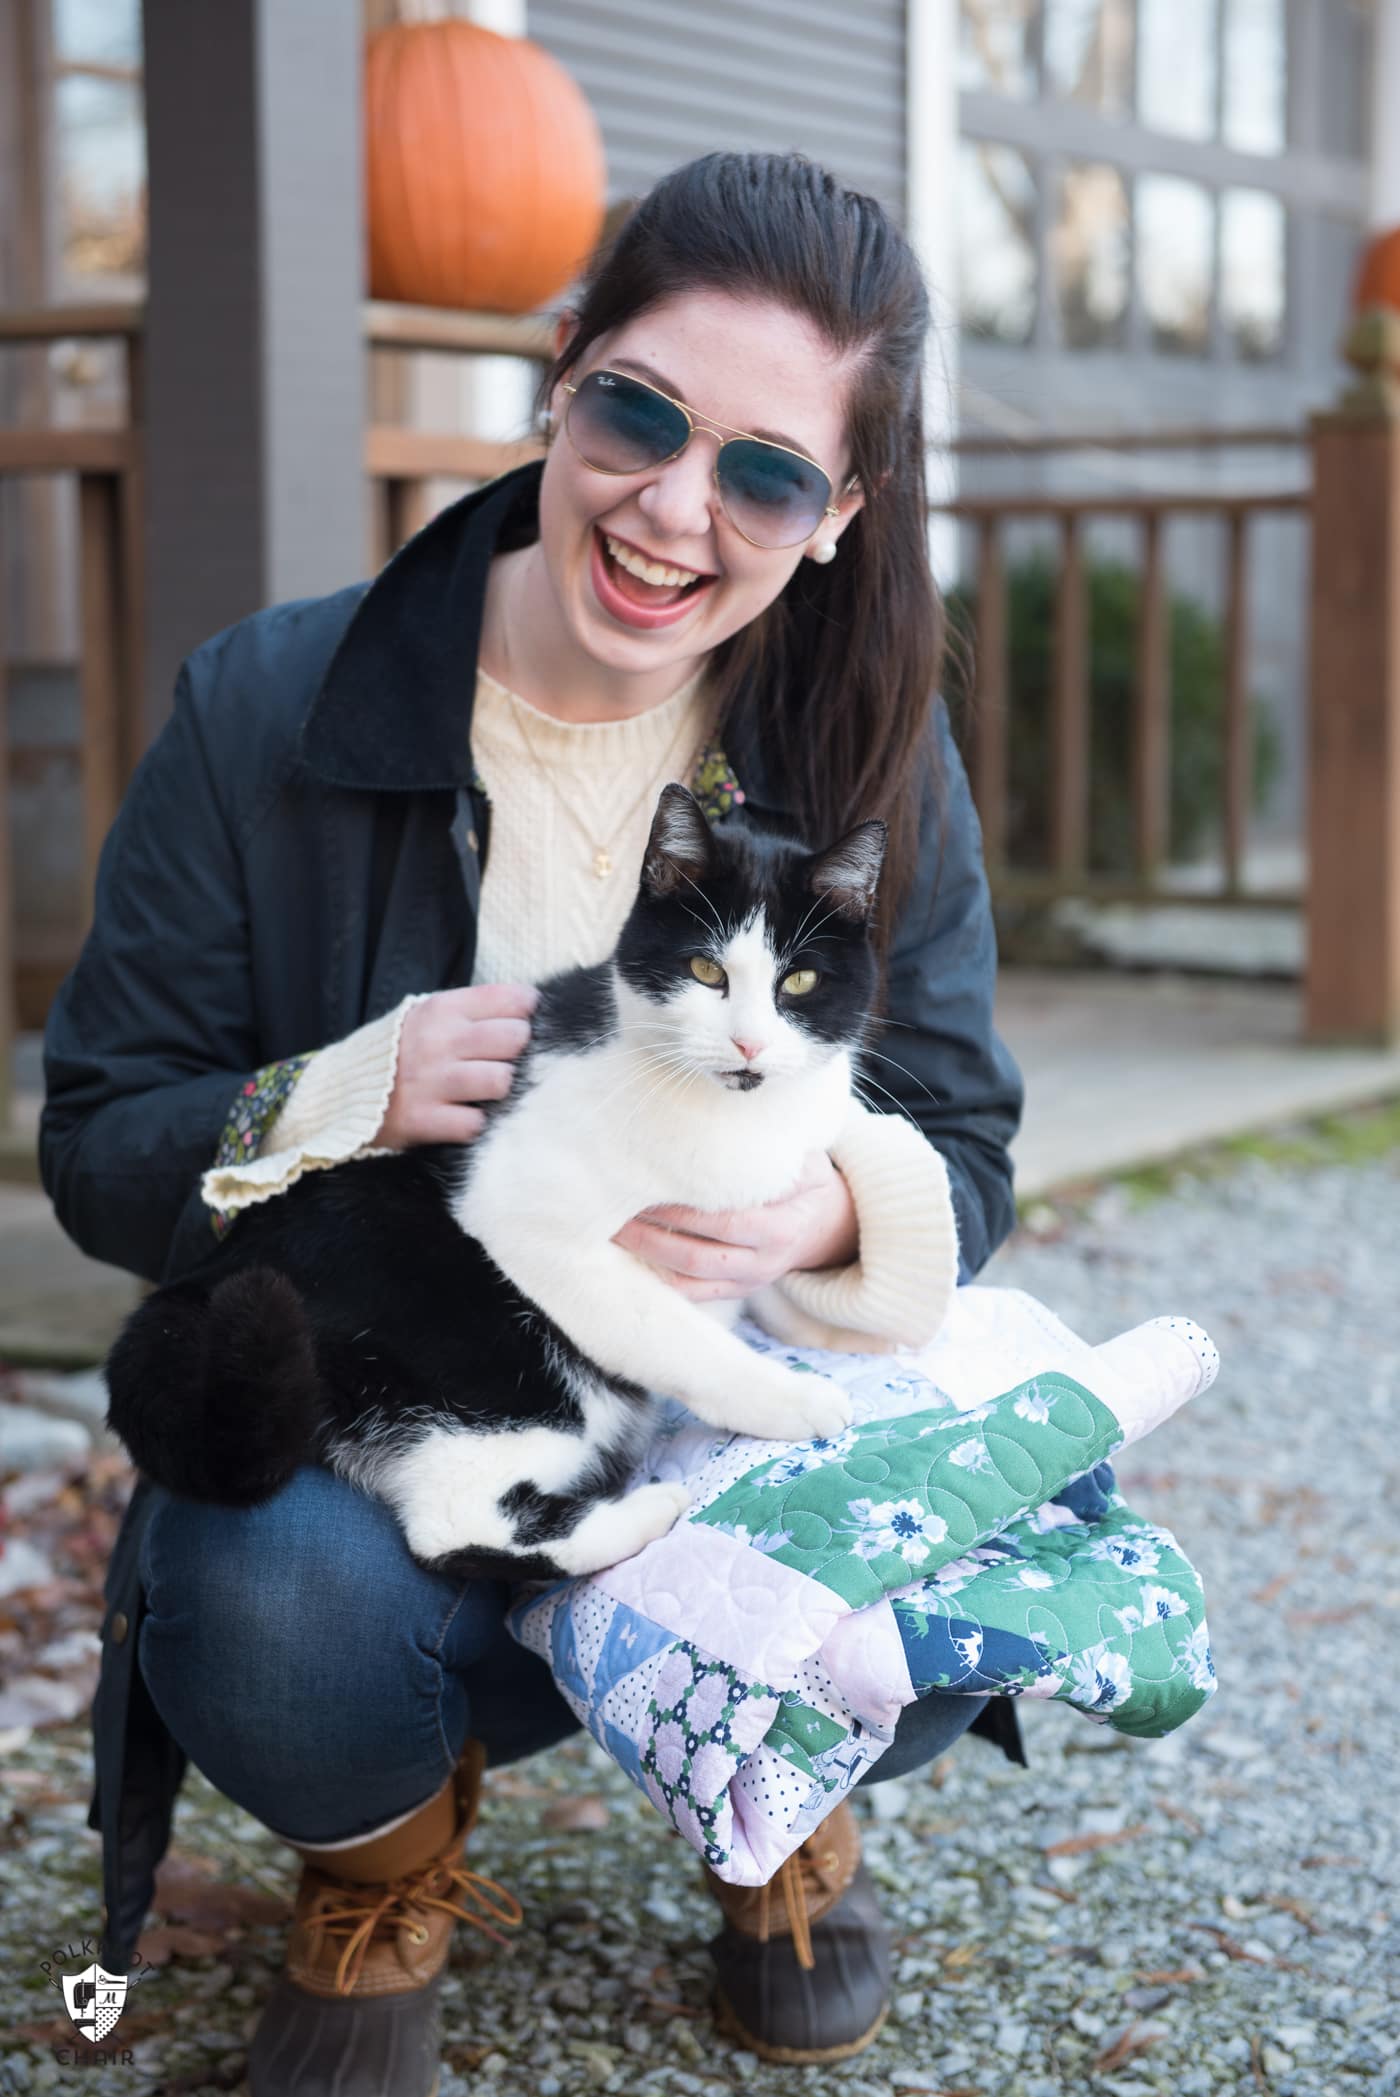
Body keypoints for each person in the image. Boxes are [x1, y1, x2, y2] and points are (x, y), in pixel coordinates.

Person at [40, 152, 1025, 2096]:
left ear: (835, 515)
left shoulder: (866, 750)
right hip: (406, 1437)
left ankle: (775, 1789)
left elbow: (965, 1139)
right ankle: (380, 1851)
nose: (673, 507)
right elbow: (99, 1139)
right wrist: (334, 1091)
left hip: (694, 1416)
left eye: (760, 471)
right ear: (558, 367)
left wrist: (826, 1213)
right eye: (637, 414)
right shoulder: (267, 707)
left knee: (948, 1545)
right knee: (254, 1596)